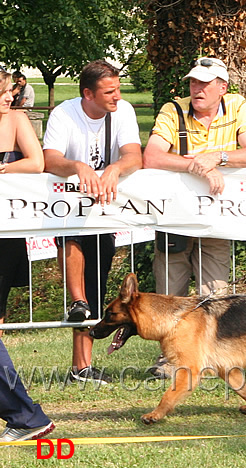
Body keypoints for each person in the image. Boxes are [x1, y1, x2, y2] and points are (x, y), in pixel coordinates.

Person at [43, 60, 142, 385]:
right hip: (68, 207)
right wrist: (78, 166)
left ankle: (82, 367)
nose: (117, 96)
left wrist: (113, 170)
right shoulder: (64, 114)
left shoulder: (123, 111)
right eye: (109, 91)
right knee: (72, 249)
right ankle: (77, 301)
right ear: (87, 94)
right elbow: (50, 158)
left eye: (118, 88)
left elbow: (133, 155)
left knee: (98, 279)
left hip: (102, 208)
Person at [143, 57, 246, 298]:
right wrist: (200, 166)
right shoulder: (173, 110)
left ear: (223, 87)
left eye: (205, 83)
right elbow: (152, 157)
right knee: (169, 299)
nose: (197, 89)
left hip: (216, 219)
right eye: (193, 82)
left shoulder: (237, 106)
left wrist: (217, 157)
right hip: (174, 218)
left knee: (216, 299)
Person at [0, 69, 55, 442]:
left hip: (5, 236)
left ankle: (26, 415)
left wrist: (2, 167)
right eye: (5, 92)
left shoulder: (16, 120)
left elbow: (36, 163)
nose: (10, 97)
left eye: (10, 91)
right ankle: (25, 415)